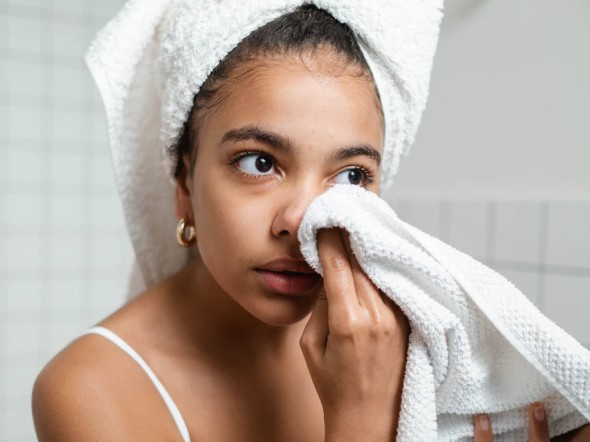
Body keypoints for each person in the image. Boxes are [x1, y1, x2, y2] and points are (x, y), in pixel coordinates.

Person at [31, 4, 590, 441]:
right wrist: (361, 420)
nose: (303, 222)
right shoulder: (91, 391)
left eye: (350, 176)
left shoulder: (402, 342)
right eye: (259, 163)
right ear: (184, 186)